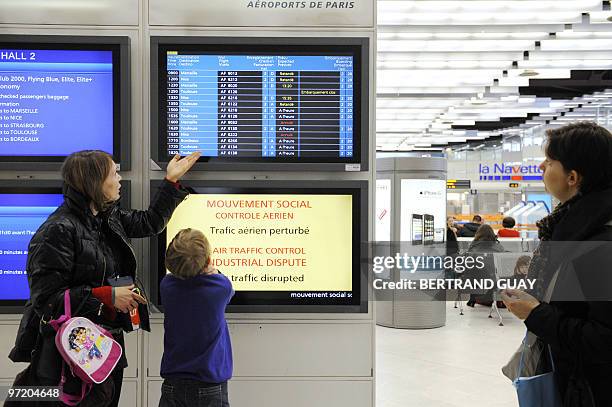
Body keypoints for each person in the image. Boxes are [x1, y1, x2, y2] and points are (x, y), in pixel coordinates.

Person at [9, 150, 200, 406]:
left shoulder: (107, 218)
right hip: (68, 358)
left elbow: (150, 222)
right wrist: (106, 297)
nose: (120, 179)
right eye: (114, 173)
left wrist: (170, 182)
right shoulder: (57, 230)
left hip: (105, 348)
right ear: (94, 182)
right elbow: (47, 300)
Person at [501, 122, 612, 406]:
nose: (541, 167)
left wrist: (536, 313)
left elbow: (604, 339)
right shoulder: (573, 228)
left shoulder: (597, 243)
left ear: (572, 177)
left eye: (549, 161)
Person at [160, 228, 233, 407]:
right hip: (210, 385)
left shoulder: (166, 286)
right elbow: (227, 286)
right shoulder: (221, 287)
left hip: (173, 384)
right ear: (208, 261)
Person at [465, 224, 506, 307]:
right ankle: (493, 298)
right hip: (495, 278)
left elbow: (468, 263)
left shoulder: (473, 246)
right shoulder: (498, 246)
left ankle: (472, 299)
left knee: (472, 272)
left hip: (477, 279)